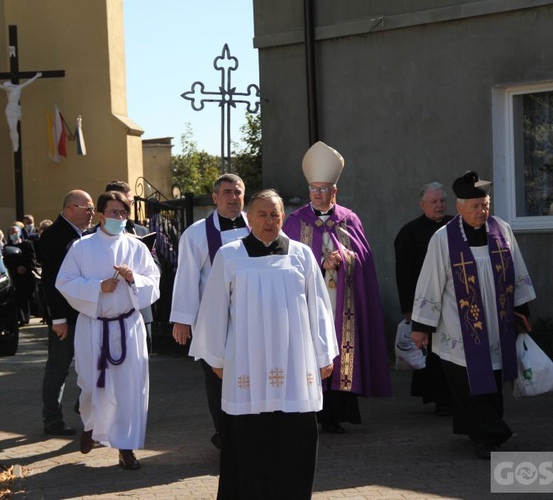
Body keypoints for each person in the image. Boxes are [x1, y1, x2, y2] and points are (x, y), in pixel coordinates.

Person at [190, 189, 339, 499]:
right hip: (248, 365)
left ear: (283, 217)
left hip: (295, 366)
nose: (269, 220)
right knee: (249, 443)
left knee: (296, 439)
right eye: (262, 214)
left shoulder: (301, 255)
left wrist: (324, 354)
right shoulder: (229, 256)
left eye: (275, 214)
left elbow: (319, 306)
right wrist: (216, 359)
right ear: (250, 218)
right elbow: (214, 309)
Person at [410, 170, 537, 459]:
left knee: (491, 381)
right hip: (458, 326)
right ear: (460, 208)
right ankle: (489, 435)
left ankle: (483, 432)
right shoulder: (444, 239)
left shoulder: (501, 230)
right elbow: (430, 282)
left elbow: (516, 270)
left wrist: (521, 309)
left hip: (497, 323)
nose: (482, 211)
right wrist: (421, 326)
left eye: (486, 205)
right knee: (468, 384)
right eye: (476, 206)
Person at [283, 141, 391, 434]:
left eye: (324, 189)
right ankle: (310, 412)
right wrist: (319, 262)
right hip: (309, 304)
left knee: (341, 354)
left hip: (345, 304)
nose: (318, 194)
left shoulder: (349, 219)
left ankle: (334, 415)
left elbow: (364, 258)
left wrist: (341, 257)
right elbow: (285, 264)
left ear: (335, 191)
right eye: (313, 189)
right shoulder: (294, 222)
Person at [56, 191, 160, 470]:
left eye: (123, 213)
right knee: (91, 385)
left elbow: (154, 283)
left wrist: (132, 278)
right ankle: (91, 427)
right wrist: (96, 288)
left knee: (129, 390)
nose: (118, 218)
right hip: (95, 326)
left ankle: (126, 449)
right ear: (101, 214)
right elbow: (63, 282)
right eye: (113, 212)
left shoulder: (136, 247)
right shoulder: (82, 247)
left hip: (127, 326)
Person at [170, 173, 249, 449]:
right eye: (226, 192)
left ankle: (248, 432)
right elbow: (187, 277)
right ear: (215, 198)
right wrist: (182, 319)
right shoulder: (196, 233)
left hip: (251, 319)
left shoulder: (259, 226)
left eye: (237, 192)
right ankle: (224, 433)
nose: (232, 197)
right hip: (214, 320)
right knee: (218, 378)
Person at [38, 189, 94, 436]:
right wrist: (58, 319)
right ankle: (52, 419)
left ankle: (84, 407)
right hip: (66, 318)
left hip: (85, 314)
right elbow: (51, 282)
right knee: (58, 368)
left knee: (92, 365)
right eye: (88, 208)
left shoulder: (86, 235)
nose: (92, 213)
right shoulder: (54, 237)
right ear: (71, 208)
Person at [394, 182, 453, 416]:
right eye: (433, 202)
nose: (439, 206)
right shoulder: (409, 233)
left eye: (442, 201)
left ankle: (454, 397)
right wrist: (408, 309)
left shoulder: (454, 226)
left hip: (452, 303)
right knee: (432, 354)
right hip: (424, 304)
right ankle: (440, 400)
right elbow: (403, 273)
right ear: (422, 204)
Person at [102, 180, 159, 350]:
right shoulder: (90, 237)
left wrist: (135, 275)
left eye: (130, 203)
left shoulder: (141, 231)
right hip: (107, 313)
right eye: (122, 203)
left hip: (140, 311)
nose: (127, 207)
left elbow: (156, 267)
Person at [0, 71, 42, 151]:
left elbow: (28, 82)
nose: (6, 90)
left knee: (14, 128)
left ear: (10, 86)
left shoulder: (18, 88)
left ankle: (16, 145)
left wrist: (36, 76)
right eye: (5, 89)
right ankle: (15, 145)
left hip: (15, 110)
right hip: (8, 109)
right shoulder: (7, 90)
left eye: (7, 88)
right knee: (11, 128)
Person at [5, 224, 39, 325]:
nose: (13, 234)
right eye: (11, 233)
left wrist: (26, 267)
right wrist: (16, 268)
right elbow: (7, 261)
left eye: (15, 232)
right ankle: (19, 318)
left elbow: (32, 258)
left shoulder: (27, 244)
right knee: (17, 298)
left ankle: (25, 317)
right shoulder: (7, 247)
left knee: (26, 297)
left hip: (26, 276)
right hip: (14, 276)